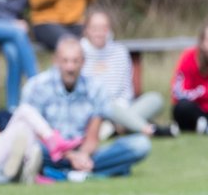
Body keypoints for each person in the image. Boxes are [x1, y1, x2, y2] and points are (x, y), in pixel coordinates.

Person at [21, 36, 150, 180]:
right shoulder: (37, 86)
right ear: (56, 61)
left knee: (140, 145)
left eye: (75, 61)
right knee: (29, 148)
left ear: (83, 62)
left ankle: (66, 172)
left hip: (83, 151)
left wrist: (82, 156)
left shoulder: (95, 88)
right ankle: (90, 172)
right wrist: (69, 156)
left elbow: (92, 136)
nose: (70, 67)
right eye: (65, 61)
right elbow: (35, 132)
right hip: (49, 151)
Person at [80, 9, 164, 139]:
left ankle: (116, 127)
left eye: (103, 28)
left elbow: (126, 90)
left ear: (109, 29)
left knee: (155, 99)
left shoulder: (120, 51)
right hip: (92, 109)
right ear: (87, 30)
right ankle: (146, 129)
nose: (99, 32)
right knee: (105, 104)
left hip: (120, 108)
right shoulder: (78, 53)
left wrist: (120, 110)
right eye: (95, 28)